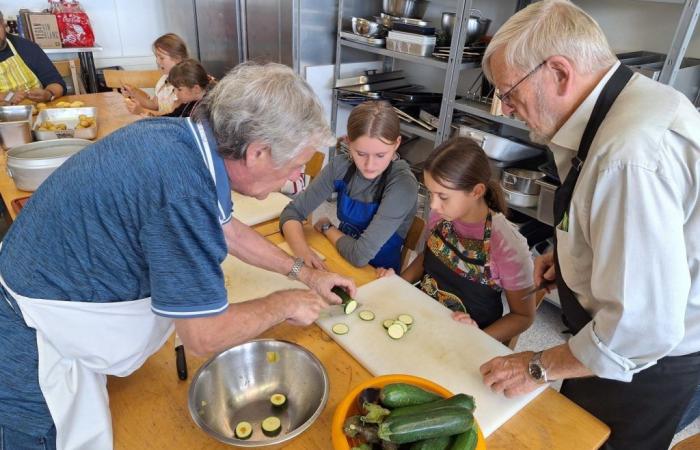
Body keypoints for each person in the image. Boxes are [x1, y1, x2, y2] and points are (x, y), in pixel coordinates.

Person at [0, 62, 355, 450]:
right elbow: (204, 335)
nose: (294, 179)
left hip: (36, 288)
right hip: (29, 342)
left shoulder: (188, 142)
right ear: (257, 153)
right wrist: (282, 304)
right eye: (296, 166)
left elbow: (226, 227)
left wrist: (304, 273)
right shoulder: (184, 191)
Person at [476, 2, 700, 449]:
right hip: (602, 338)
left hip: (645, 360)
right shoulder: (622, 102)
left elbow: (641, 330)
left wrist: (538, 366)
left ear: (559, 73)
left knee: (595, 442)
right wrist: (570, 254)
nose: (506, 108)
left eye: (510, 92)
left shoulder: (629, 156)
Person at [378, 137, 536, 344]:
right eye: (430, 193)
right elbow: (427, 257)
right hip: (421, 318)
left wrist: (477, 338)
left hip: (465, 339)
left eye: (443, 196)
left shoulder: (507, 245)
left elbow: (523, 316)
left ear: (476, 191)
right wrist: (399, 283)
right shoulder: (442, 216)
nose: (433, 205)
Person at [280, 100, 418, 273]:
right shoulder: (340, 167)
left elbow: (359, 256)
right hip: (340, 257)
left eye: (381, 155)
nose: (370, 164)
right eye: (361, 154)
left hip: (377, 276)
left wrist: (327, 228)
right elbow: (291, 212)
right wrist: (303, 253)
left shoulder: (402, 186)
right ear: (349, 142)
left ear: (397, 144)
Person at [0, 11, 65, 105]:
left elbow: (56, 83)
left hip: (37, 111)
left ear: (3, 24)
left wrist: (48, 94)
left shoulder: (26, 47)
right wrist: (6, 96)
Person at [122, 33, 186, 115]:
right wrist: (133, 92)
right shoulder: (164, 79)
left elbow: (171, 116)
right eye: (156, 57)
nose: (157, 61)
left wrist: (142, 111)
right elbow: (154, 105)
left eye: (162, 58)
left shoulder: (183, 86)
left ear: (178, 58)